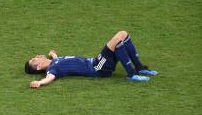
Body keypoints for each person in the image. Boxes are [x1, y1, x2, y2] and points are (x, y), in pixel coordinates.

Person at [25, 30, 158, 88]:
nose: (36, 56)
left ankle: (140, 68)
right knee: (117, 40)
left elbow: (60, 60)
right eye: (34, 60)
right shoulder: (52, 69)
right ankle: (132, 75)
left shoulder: (55, 61)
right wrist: (40, 82)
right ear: (37, 67)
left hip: (97, 62)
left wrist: (53, 55)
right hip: (96, 68)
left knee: (123, 34)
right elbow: (49, 78)